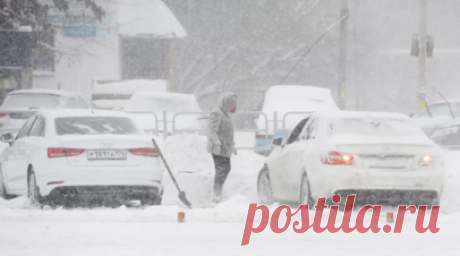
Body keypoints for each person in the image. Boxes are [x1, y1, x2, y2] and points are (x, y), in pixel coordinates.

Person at [206, 92, 238, 203]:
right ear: (225, 102)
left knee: (226, 169)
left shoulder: (226, 114)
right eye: (231, 104)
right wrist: (216, 143)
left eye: (234, 104)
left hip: (225, 148)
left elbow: (227, 133)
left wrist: (232, 145)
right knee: (221, 170)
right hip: (218, 148)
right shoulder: (217, 113)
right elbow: (211, 131)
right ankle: (216, 193)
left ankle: (218, 191)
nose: (232, 106)